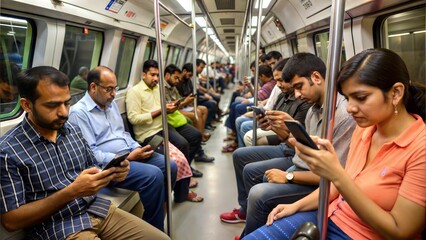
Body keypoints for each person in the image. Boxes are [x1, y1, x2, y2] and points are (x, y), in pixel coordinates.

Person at [245, 48, 426, 239]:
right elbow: (337, 189)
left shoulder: (420, 148)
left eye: (361, 98)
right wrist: (295, 206)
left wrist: (336, 173)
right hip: (329, 216)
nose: (350, 108)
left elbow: (400, 231)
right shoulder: (365, 130)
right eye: (348, 99)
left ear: (396, 93)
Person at [0, 66, 170, 240]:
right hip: (58, 226)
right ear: (27, 105)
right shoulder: (7, 151)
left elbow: (94, 166)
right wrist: (72, 191)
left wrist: (115, 172)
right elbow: (11, 221)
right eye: (52, 105)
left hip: (96, 209)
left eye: (66, 103)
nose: (64, 113)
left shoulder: (72, 130)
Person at [220, 53, 356, 238]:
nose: (297, 95)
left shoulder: (343, 116)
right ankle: (250, 224)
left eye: (299, 87)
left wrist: (289, 176)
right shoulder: (314, 109)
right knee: (251, 170)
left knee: (259, 193)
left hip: (318, 180)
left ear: (316, 77)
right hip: (301, 164)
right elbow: (303, 151)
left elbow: (333, 176)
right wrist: (283, 133)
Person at [69, 66, 178, 231]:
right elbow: (91, 154)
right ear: (93, 87)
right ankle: (155, 229)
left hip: (129, 153)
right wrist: (128, 157)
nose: (113, 94)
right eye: (109, 89)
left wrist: (137, 148)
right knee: (154, 175)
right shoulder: (79, 113)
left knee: (170, 166)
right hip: (108, 165)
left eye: (115, 88)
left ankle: (154, 219)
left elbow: (123, 134)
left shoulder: (110, 104)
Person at [126, 60, 203, 202]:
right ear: (144, 74)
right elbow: (134, 119)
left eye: (157, 75)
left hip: (162, 127)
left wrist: (170, 108)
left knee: (184, 144)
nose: (155, 78)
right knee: (176, 159)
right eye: (152, 75)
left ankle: (182, 192)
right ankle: (175, 191)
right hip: (148, 134)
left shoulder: (157, 88)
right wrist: (161, 110)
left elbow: (162, 109)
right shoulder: (134, 92)